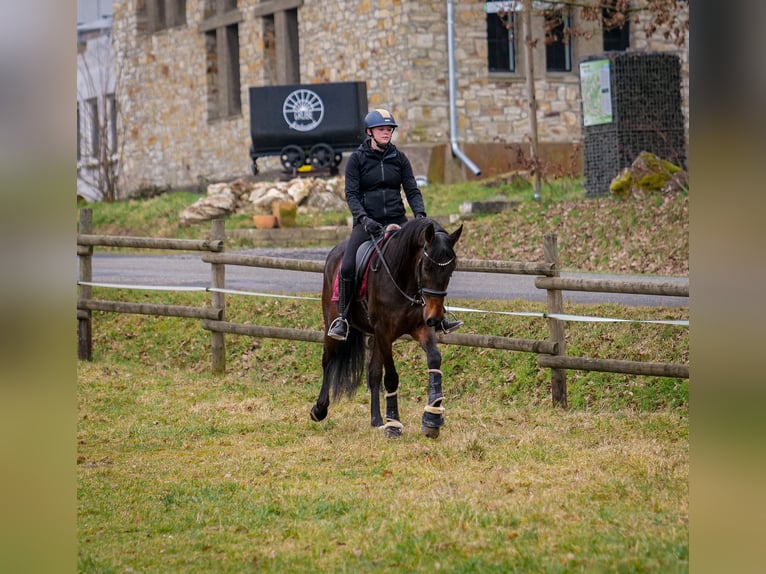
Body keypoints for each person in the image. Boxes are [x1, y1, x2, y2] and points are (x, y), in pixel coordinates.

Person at [327, 108, 463, 341]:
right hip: (367, 224)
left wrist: (419, 213)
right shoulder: (357, 160)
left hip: (398, 221)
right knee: (348, 265)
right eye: (381, 129)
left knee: (427, 259)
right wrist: (363, 218)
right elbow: (351, 194)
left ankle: (440, 314)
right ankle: (343, 318)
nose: (386, 133)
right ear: (370, 132)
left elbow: (411, 189)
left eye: (389, 129)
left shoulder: (399, 158)